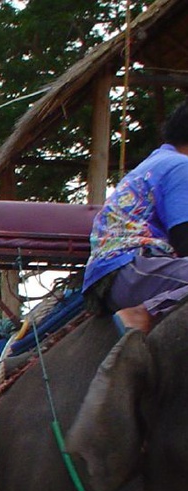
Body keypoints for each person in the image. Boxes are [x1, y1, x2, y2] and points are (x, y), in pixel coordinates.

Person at [82, 101, 188, 333]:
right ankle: (144, 313)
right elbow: (185, 238)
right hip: (132, 267)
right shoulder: (182, 167)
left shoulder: (157, 162)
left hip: (115, 274)